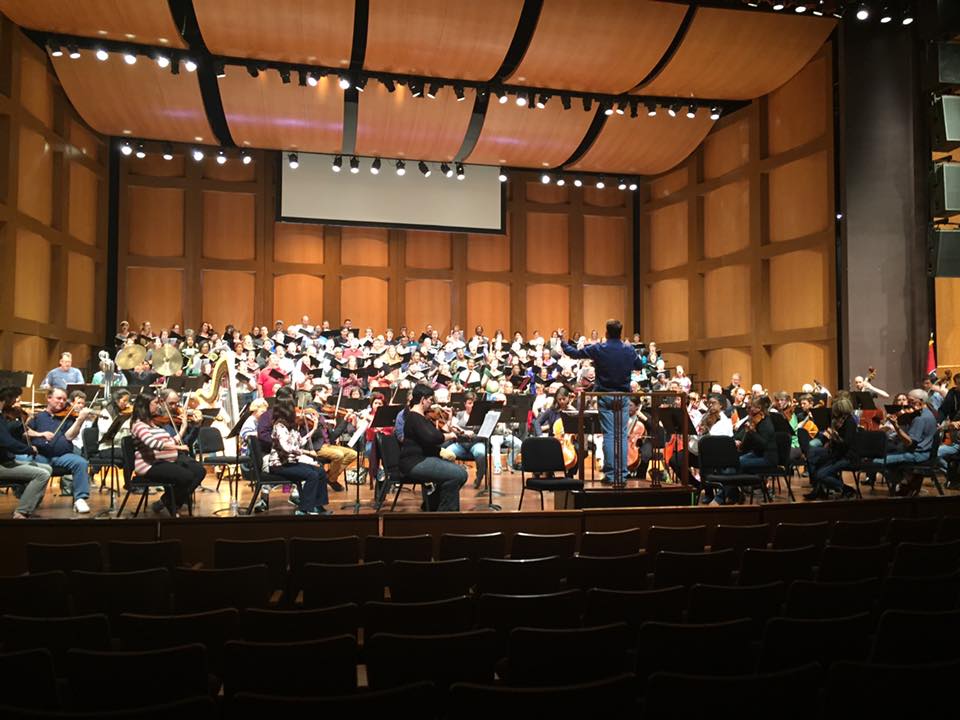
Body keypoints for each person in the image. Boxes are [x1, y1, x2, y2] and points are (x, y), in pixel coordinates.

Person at [560, 319, 644, 484]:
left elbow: (574, 353)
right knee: (621, 435)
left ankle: (612, 475)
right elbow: (639, 365)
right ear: (620, 332)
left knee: (609, 435)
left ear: (606, 332)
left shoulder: (599, 348)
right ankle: (622, 475)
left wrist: (563, 342)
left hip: (605, 396)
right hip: (623, 397)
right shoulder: (628, 349)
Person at [129, 393, 205, 515]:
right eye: (155, 403)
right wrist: (177, 447)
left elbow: (170, 441)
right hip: (150, 465)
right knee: (186, 476)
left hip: (165, 461)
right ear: (145, 406)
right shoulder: (138, 425)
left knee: (199, 471)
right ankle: (171, 503)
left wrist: (183, 428)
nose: (158, 405)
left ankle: (167, 501)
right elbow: (152, 443)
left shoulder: (153, 423)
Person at [399, 384, 467, 511]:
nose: (431, 404)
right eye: (430, 400)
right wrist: (450, 435)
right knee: (458, 475)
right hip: (414, 462)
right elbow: (432, 438)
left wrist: (449, 426)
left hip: (422, 458)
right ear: (422, 399)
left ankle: (433, 505)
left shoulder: (420, 417)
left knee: (458, 475)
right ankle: (445, 512)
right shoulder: (414, 417)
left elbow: (434, 435)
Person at [27, 387, 95, 514]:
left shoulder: (69, 418)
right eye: (58, 398)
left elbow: (69, 436)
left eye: (64, 399)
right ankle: (33, 498)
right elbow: (26, 432)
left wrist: (79, 420)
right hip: (41, 455)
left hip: (62, 456)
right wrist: (40, 434)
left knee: (81, 462)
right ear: (49, 398)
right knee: (34, 466)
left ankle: (80, 499)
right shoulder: (39, 417)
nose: (62, 402)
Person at [264, 392, 331, 516]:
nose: (296, 410)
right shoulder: (279, 426)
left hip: (291, 463)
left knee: (320, 471)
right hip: (280, 465)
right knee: (312, 475)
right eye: (293, 407)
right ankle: (304, 508)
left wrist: (314, 428)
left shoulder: (291, 426)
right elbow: (287, 448)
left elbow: (300, 441)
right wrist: (305, 452)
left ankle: (317, 505)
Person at [0, 387, 51, 519]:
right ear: (4, 401)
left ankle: (30, 506)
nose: (14, 403)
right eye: (13, 400)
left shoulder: (2, 417)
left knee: (47, 468)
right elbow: (8, 443)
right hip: (2, 464)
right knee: (41, 474)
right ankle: (21, 512)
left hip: (6, 461)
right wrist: (28, 449)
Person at [882, 389, 938, 495]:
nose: (907, 403)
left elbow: (909, 443)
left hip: (918, 454)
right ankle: (908, 483)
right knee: (892, 451)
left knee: (882, 460)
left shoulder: (920, 418)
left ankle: (904, 484)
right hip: (926, 452)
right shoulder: (929, 413)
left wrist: (896, 426)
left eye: (910, 400)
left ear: (920, 401)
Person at [804, 394, 858, 500]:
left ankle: (846, 488)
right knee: (812, 453)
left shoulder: (850, 422)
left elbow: (846, 444)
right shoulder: (838, 420)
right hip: (836, 452)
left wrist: (835, 437)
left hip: (847, 456)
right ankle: (818, 488)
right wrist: (830, 436)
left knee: (820, 473)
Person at [444, 392, 488, 490]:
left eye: (474, 403)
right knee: (446, 453)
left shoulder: (481, 416)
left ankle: (479, 477)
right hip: (460, 444)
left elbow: (484, 433)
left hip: (475, 443)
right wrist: (451, 419)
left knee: (481, 453)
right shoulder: (459, 415)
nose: (472, 405)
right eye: (469, 403)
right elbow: (451, 429)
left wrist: (473, 435)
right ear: (465, 404)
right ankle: (450, 479)